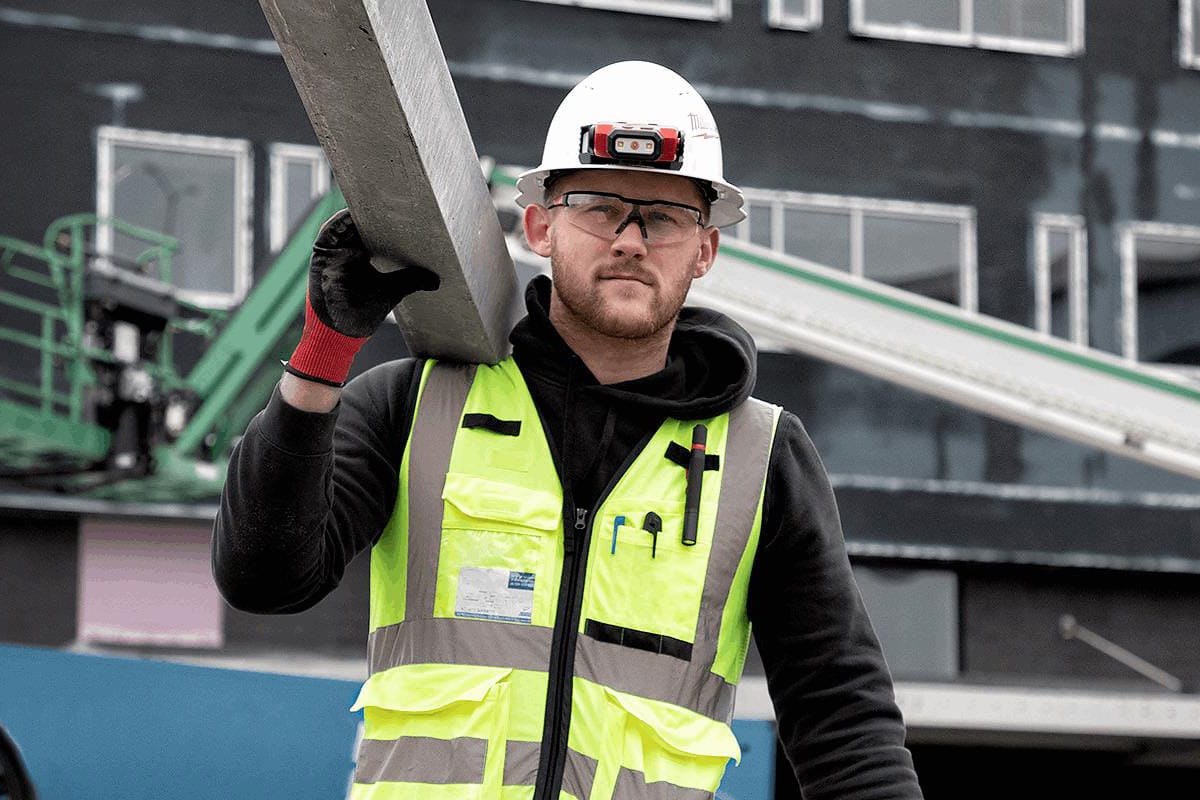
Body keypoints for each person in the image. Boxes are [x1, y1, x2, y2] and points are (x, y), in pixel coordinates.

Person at [213, 61, 923, 800]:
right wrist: (324, 351)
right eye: (598, 206)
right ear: (540, 226)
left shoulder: (760, 458)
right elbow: (262, 578)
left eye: (665, 218)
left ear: (705, 250)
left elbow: (843, 716)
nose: (630, 240)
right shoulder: (418, 405)